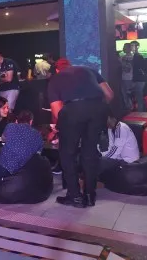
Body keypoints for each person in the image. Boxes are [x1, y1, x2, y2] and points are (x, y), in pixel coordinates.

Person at [48, 58, 114, 208]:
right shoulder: (89, 70)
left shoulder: (55, 79)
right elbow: (110, 94)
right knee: (90, 153)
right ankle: (90, 196)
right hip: (98, 108)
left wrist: (62, 127)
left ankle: (75, 197)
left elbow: (57, 111)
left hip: (73, 111)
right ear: (71, 65)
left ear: (57, 70)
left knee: (67, 154)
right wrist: (95, 109)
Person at [131, 41, 147, 112]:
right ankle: (140, 111)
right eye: (131, 46)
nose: (131, 47)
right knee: (138, 96)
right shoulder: (135, 56)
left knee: (139, 96)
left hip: (139, 79)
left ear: (137, 47)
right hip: (137, 79)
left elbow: (141, 68)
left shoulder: (138, 56)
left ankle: (140, 112)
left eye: (133, 46)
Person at [120, 43, 134, 111]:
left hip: (128, 78)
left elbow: (127, 69)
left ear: (129, 48)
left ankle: (130, 109)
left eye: (125, 47)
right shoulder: (123, 57)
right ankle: (129, 109)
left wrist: (121, 62)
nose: (123, 48)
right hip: (125, 78)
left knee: (128, 95)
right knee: (125, 94)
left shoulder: (131, 57)